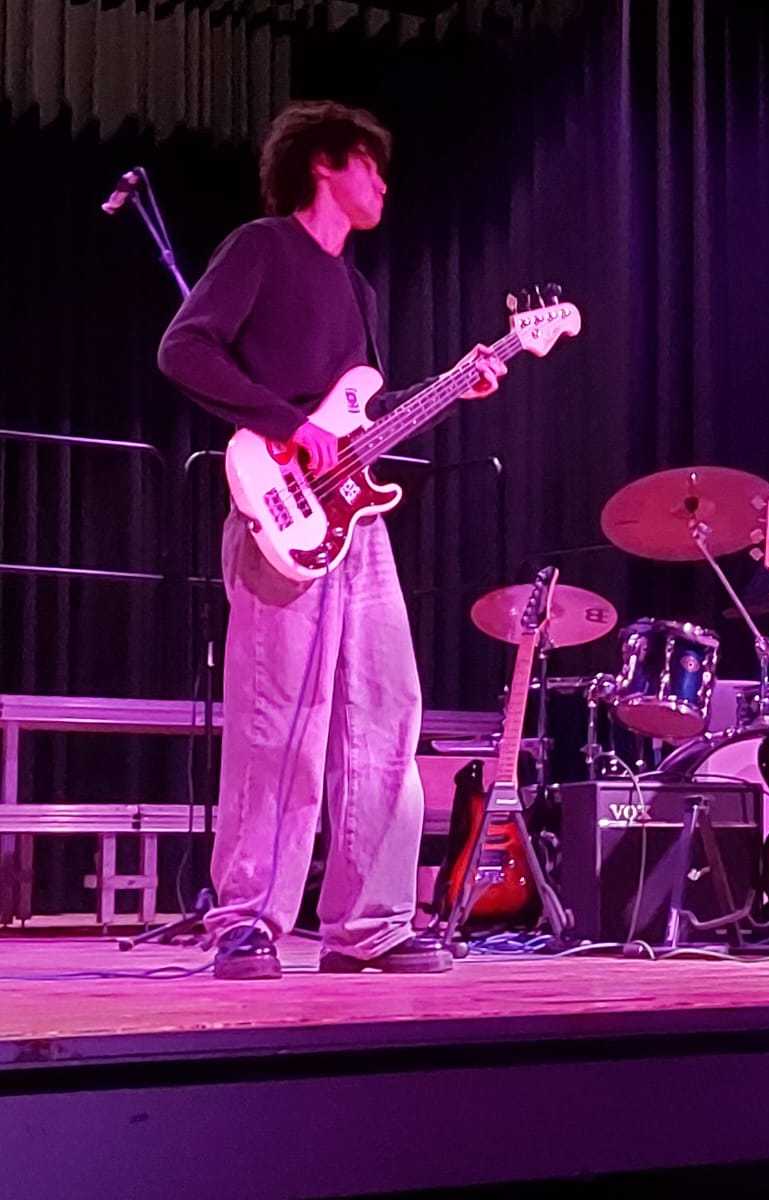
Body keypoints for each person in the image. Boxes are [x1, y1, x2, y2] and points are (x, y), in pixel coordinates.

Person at [158, 100, 507, 979]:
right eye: (369, 164)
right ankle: (246, 919)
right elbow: (185, 348)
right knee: (277, 718)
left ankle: (370, 924)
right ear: (323, 163)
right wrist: (288, 425)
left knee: (387, 713)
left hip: (356, 524)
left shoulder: (360, 291)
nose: (383, 182)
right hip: (277, 510)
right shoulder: (261, 248)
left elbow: (360, 420)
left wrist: (455, 386)